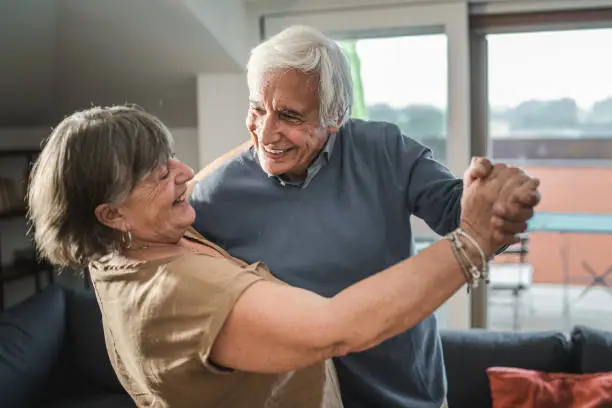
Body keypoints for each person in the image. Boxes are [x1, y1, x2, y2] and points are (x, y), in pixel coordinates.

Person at [27, 105, 539, 408]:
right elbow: (339, 326)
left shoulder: (118, 245)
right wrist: (472, 240)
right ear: (112, 213)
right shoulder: (178, 293)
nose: (182, 172)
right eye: (160, 175)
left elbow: (200, 178)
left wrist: (276, 128)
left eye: (170, 157)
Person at [189, 25, 539, 408]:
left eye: (289, 116)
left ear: (335, 116)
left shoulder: (385, 150)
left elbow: (463, 218)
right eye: (257, 108)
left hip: (406, 395)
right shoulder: (218, 193)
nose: (265, 131)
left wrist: (498, 203)